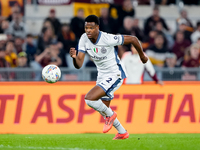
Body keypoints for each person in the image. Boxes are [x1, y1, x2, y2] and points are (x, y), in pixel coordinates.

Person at [69, 15, 148, 140]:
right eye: (86, 27)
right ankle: (122, 132)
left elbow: (133, 39)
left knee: (89, 99)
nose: (88, 30)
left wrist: (142, 56)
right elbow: (79, 65)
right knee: (104, 111)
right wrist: (74, 58)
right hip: (102, 75)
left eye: (91, 27)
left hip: (115, 74)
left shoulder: (107, 38)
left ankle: (111, 116)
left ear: (97, 28)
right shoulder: (84, 39)